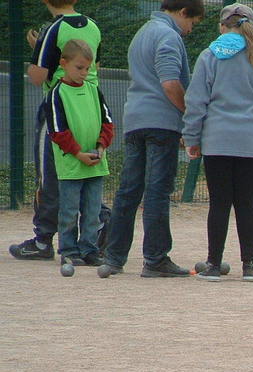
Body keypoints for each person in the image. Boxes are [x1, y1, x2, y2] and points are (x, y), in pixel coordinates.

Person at [101, 0, 204, 278]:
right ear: (183, 12)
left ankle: (113, 257)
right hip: (161, 123)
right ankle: (156, 259)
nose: (190, 30)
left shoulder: (143, 32)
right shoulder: (168, 36)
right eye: (192, 23)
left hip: (135, 120)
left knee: (128, 191)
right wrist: (190, 116)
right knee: (157, 191)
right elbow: (170, 84)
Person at [183, 3, 253, 282]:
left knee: (219, 204)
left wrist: (192, 137)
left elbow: (196, 101)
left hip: (216, 140)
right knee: (246, 204)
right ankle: (249, 265)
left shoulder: (209, 56)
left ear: (221, 26)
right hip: (251, 142)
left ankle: (213, 265)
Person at [9, 0, 105, 262]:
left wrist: (38, 49)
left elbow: (38, 76)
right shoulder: (94, 27)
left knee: (49, 173)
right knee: (89, 169)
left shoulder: (53, 29)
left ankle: (43, 241)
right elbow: (94, 67)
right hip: (90, 102)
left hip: (61, 101)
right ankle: (97, 227)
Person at [45, 39, 114, 267]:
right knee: (69, 210)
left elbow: (107, 122)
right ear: (64, 63)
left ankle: (89, 249)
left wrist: (101, 146)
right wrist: (78, 153)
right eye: (79, 68)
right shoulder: (56, 94)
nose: (84, 73)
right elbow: (57, 131)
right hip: (72, 165)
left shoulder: (94, 90)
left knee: (93, 210)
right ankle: (68, 250)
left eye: (88, 68)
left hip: (95, 163)